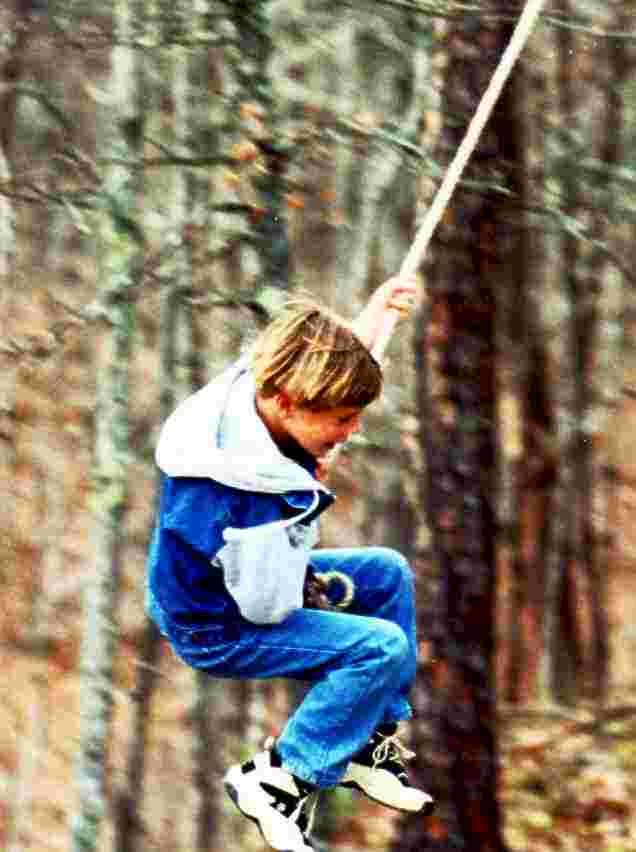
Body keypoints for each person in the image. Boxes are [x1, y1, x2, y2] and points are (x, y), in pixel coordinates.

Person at [146, 276, 434, 852]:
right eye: (341, 420)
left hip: (218, 584)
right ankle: (280, 777)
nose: (351, 431)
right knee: (378, 646)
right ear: (288, 404)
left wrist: (371, 320)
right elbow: (269, 607)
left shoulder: (254, 387)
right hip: (219, 627)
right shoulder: (255, 499)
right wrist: (301, 510)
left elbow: (316, 363)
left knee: (387, 572)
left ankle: (366, 738)